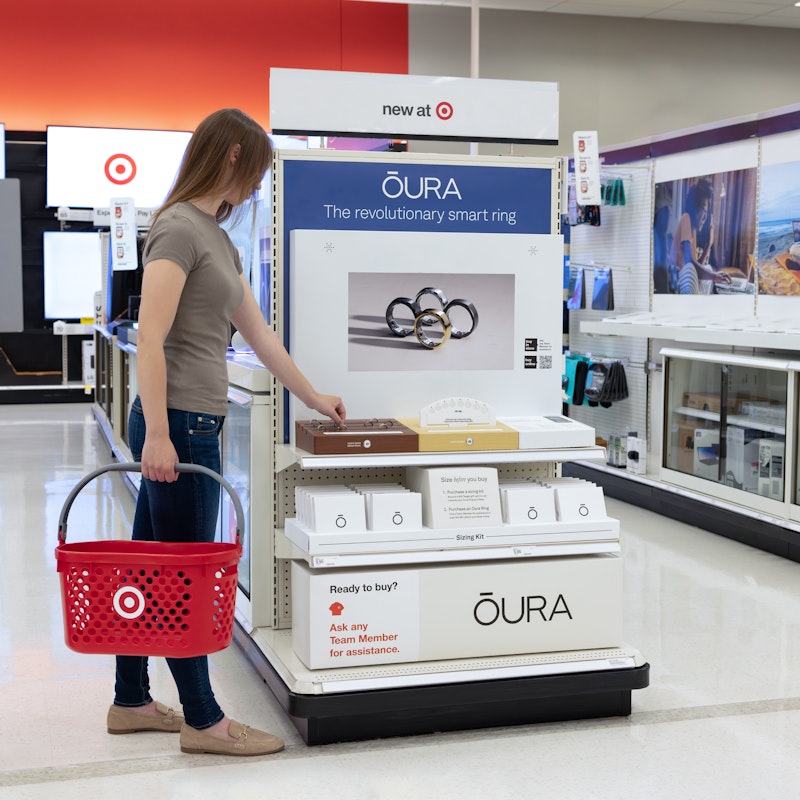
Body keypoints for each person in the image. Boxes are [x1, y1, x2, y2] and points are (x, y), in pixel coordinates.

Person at [106, 108, 346, 757]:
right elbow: (148, 338)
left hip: (186, 422)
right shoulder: (179, 228)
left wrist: (313, 397)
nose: (254, 191)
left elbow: (258, 332)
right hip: (178, 426)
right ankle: (204, 720)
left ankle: (130, 698)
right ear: (234, 157)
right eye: (257, 173)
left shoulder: (215, 236)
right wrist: (158, 434)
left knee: (155, 566)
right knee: (184, 577)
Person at [668, 178, 731, 294]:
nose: (704, 216)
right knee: (695, 270)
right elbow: (689, 263)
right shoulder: (686, 218)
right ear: (694, 207)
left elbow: (697, 266)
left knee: (707, 268)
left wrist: (709, 245)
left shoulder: (693, 231)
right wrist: (713, 276)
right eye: (702, 209)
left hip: (687, 280)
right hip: (675, 280)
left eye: (706, 211)